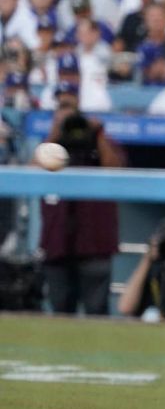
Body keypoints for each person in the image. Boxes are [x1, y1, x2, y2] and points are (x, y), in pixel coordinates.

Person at [39, 81, 124, 315]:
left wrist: (97, 134)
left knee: (97, 311)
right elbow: (32, 171)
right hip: (56, 243)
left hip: (95, 242)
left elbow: (116, 169)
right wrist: (56, 133)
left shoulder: (99, 141)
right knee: (59, 311)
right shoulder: (49, 144)